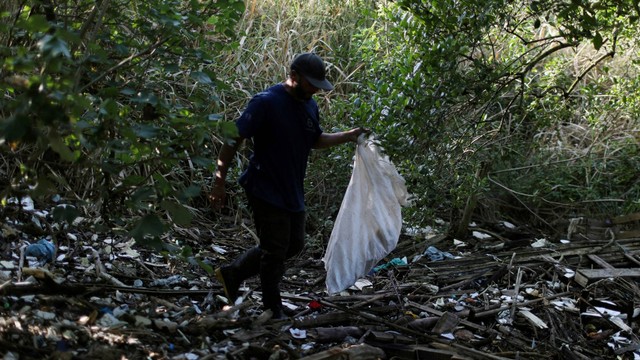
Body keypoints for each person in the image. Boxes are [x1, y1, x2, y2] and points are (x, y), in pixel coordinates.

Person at [209, 52, 367, 319]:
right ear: (294, 77)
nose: (316, 89)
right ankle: (273, 306)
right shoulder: (265, 102)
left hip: (291, 188)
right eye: (311, 83)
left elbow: (314, 140)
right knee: (275, 248)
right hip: (263, 185)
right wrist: (218, 181)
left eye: (319, 84)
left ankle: (232, 273)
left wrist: (348, 136)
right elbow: (233, 139)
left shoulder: (309, 105)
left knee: (294, 244)